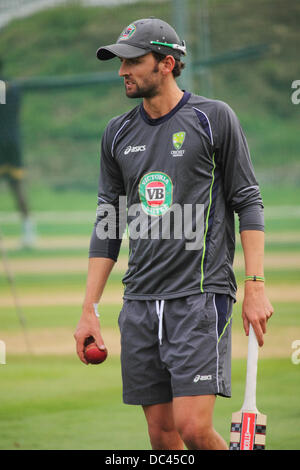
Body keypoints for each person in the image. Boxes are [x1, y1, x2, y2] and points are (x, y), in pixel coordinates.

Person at [74, 18, 274, 450]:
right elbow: (108, 223)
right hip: (140, 302)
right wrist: (90, 308)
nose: (122, 71)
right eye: (119, 62)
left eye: (132, 61)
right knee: (162, 435)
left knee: (193, 428)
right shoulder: (117, 133)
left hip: (200, 296)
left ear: (167, 63)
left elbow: (248, 202)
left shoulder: (213, 118)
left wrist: (255, 285)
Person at [0, 59, 36, 248]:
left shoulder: (4, 88)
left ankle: (28, 231)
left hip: (5, 144)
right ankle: (28, 231)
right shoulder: (12, 87)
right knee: (17, 188)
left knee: (17, 187)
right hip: (12, 143)